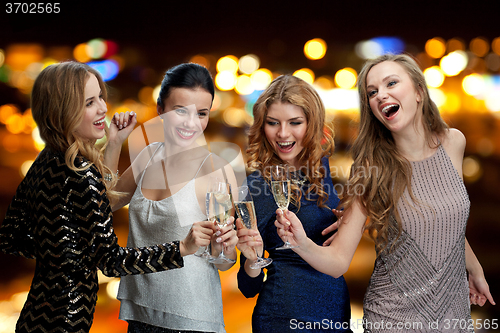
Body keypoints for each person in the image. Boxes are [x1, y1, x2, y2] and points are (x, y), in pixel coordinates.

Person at [275, 54, 495, 332]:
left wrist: (474, 269)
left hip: (454, 313)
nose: (381, 95)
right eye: (372, 92)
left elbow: (446, 221)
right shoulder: (370, 169)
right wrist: (300, 241)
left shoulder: (454, 142)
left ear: (418, 91)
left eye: (391, 83)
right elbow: (338, 262)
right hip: (393, 318)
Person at [0, 61, 210, 333]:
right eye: (89, 102)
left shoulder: (46, 160)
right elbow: (111, 262)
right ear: (65, 110)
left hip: (33, 317)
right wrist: (182, 248)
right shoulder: (82, 174)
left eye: (100, 96)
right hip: (67, 319)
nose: (103, 107)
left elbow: (10, 237)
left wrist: (62, 251)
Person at [105, 63, 241, 333]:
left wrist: (224, 246)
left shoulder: (216, 170)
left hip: (190, 319)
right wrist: (114, 142)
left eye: (201, 113)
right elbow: (106, 203)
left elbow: (225, 260)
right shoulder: (148, 154)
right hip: (139, 313)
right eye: (181, 111)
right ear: (160, 110)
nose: (192, 123)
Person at [236, 74, 352, 332]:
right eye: (273, 123)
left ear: (312, 123)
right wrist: (252, 260)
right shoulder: (257, 185)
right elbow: (248, 287)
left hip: (336, 316)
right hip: (282, 319)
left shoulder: (326, 170)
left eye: (295, 122)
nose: (283, 133)